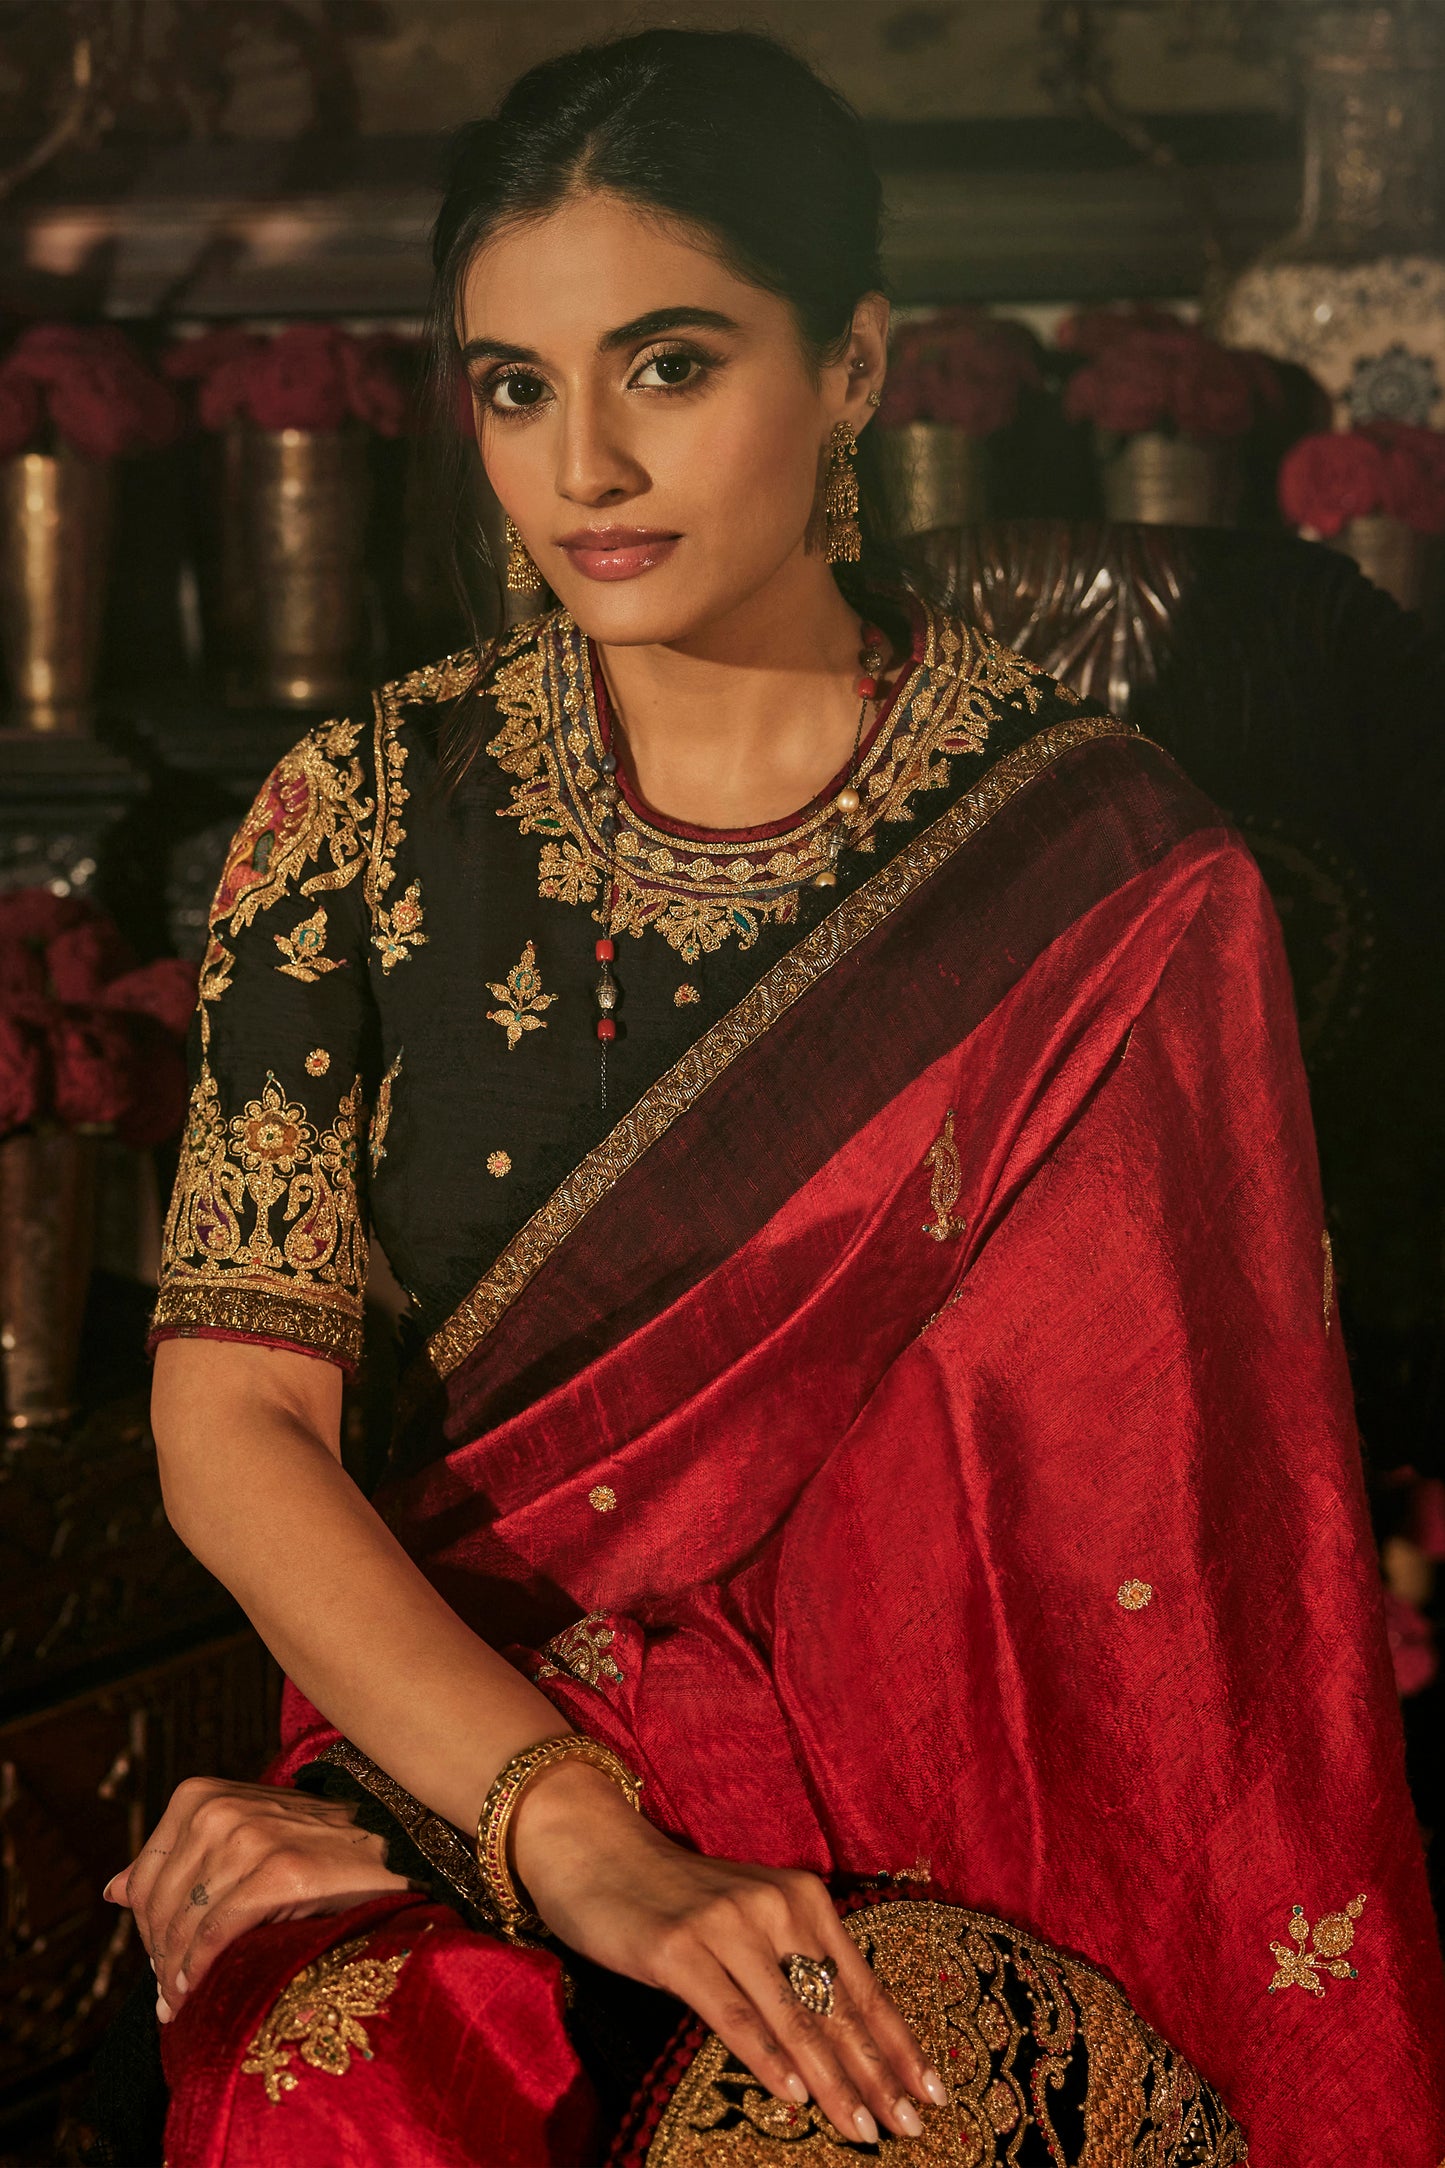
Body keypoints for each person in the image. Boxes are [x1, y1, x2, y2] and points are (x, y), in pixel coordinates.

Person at [102, 28, 1443, 2167]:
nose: (583, 468)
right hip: (468, 1761)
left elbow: (1162, 1582)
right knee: (347, 2057)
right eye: (517, 385)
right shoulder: (350, 825)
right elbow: (232, 1423)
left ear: (854, 365)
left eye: (668, 363)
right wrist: (569, 1831)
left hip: (957, 1828)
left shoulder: (1102, 876)